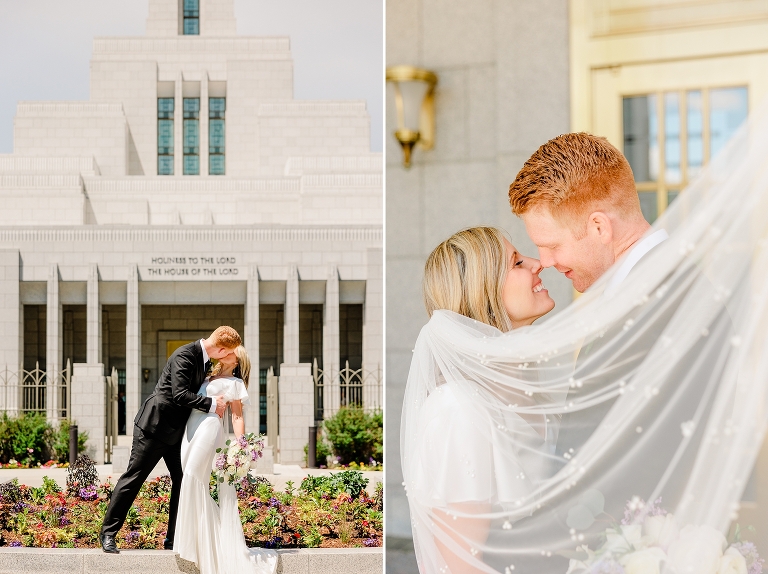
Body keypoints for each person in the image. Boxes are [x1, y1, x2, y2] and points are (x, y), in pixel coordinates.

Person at [408, 226, 557, 574]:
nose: (537, 263)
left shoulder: (529, 385)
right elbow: (462, 566)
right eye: (517, 262)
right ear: (483, 293)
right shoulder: (457, 409)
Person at [100, 326, 241, 553]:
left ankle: (173, 540)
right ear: (222, 348)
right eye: (227, 353)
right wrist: (215, 405)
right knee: (134, 478)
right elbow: (179, 394)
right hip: (153, 429)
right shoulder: (184, 355)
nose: (226, 357)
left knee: (183, 481)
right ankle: (108, 533)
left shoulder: (205, 362)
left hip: (176, 434)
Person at [174, 345, 277, 574]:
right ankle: (206, 541)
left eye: (232, 351)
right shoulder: (207, 374)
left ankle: (194, 545)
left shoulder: (235, 383)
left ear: (237, 361)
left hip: (210, 427)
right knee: (190, 478)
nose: (226, 351)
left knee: (193, 476)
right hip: (191, 430)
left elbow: (237, 416)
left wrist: (242, 446)